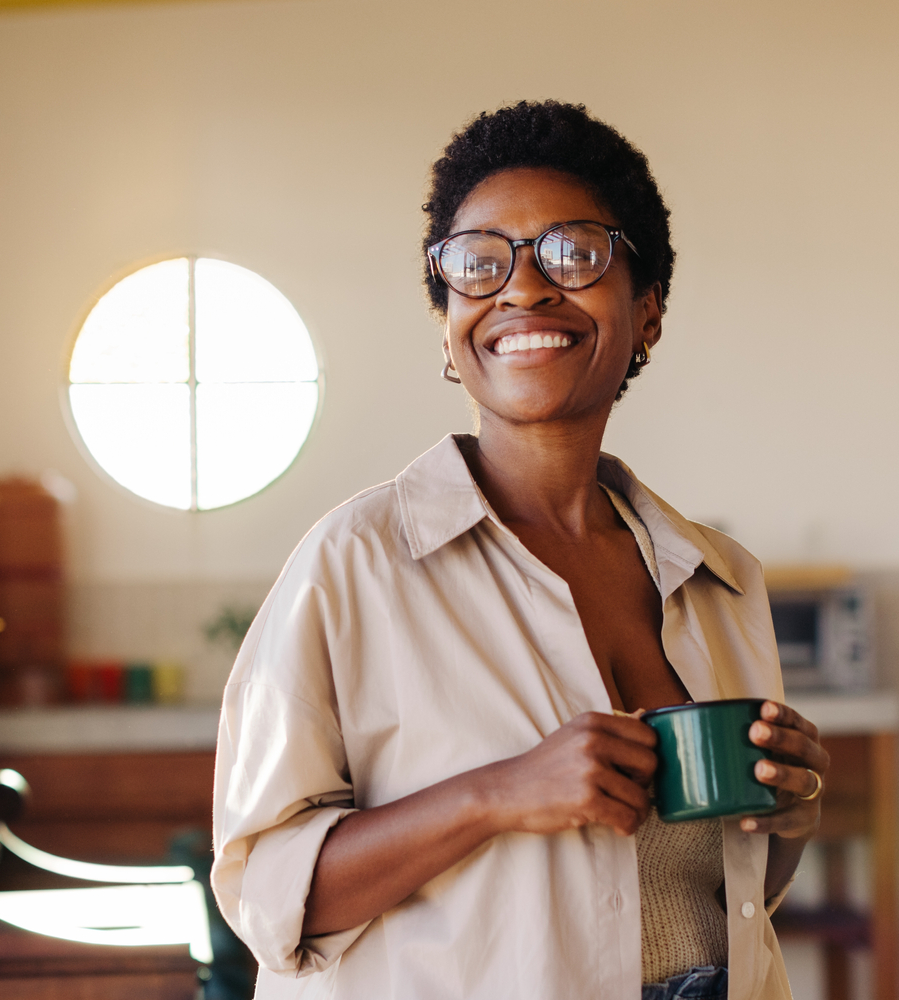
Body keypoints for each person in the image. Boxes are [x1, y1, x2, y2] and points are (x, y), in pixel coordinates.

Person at [211, 100, 828, 1000]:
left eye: (574, 253)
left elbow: (727, 896)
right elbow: (267, 900)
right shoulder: (355, 564)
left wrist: (791, 814)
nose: (525, 288)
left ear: (646, 310)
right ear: (449, 326)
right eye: (480, 262)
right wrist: (496, 794)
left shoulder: (721, 581)